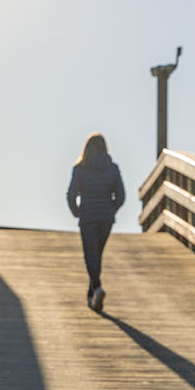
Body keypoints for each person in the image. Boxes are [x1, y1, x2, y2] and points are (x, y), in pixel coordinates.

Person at [66, 134, 124, 312]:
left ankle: (97, 287)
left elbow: (71, 194)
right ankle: (91, 293)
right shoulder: (113, 168)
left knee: (90, 254)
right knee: (97, 253)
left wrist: (77, 211)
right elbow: (121, 196)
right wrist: (111, 209)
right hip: (106, 218)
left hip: (88, 216)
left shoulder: (80, 168)